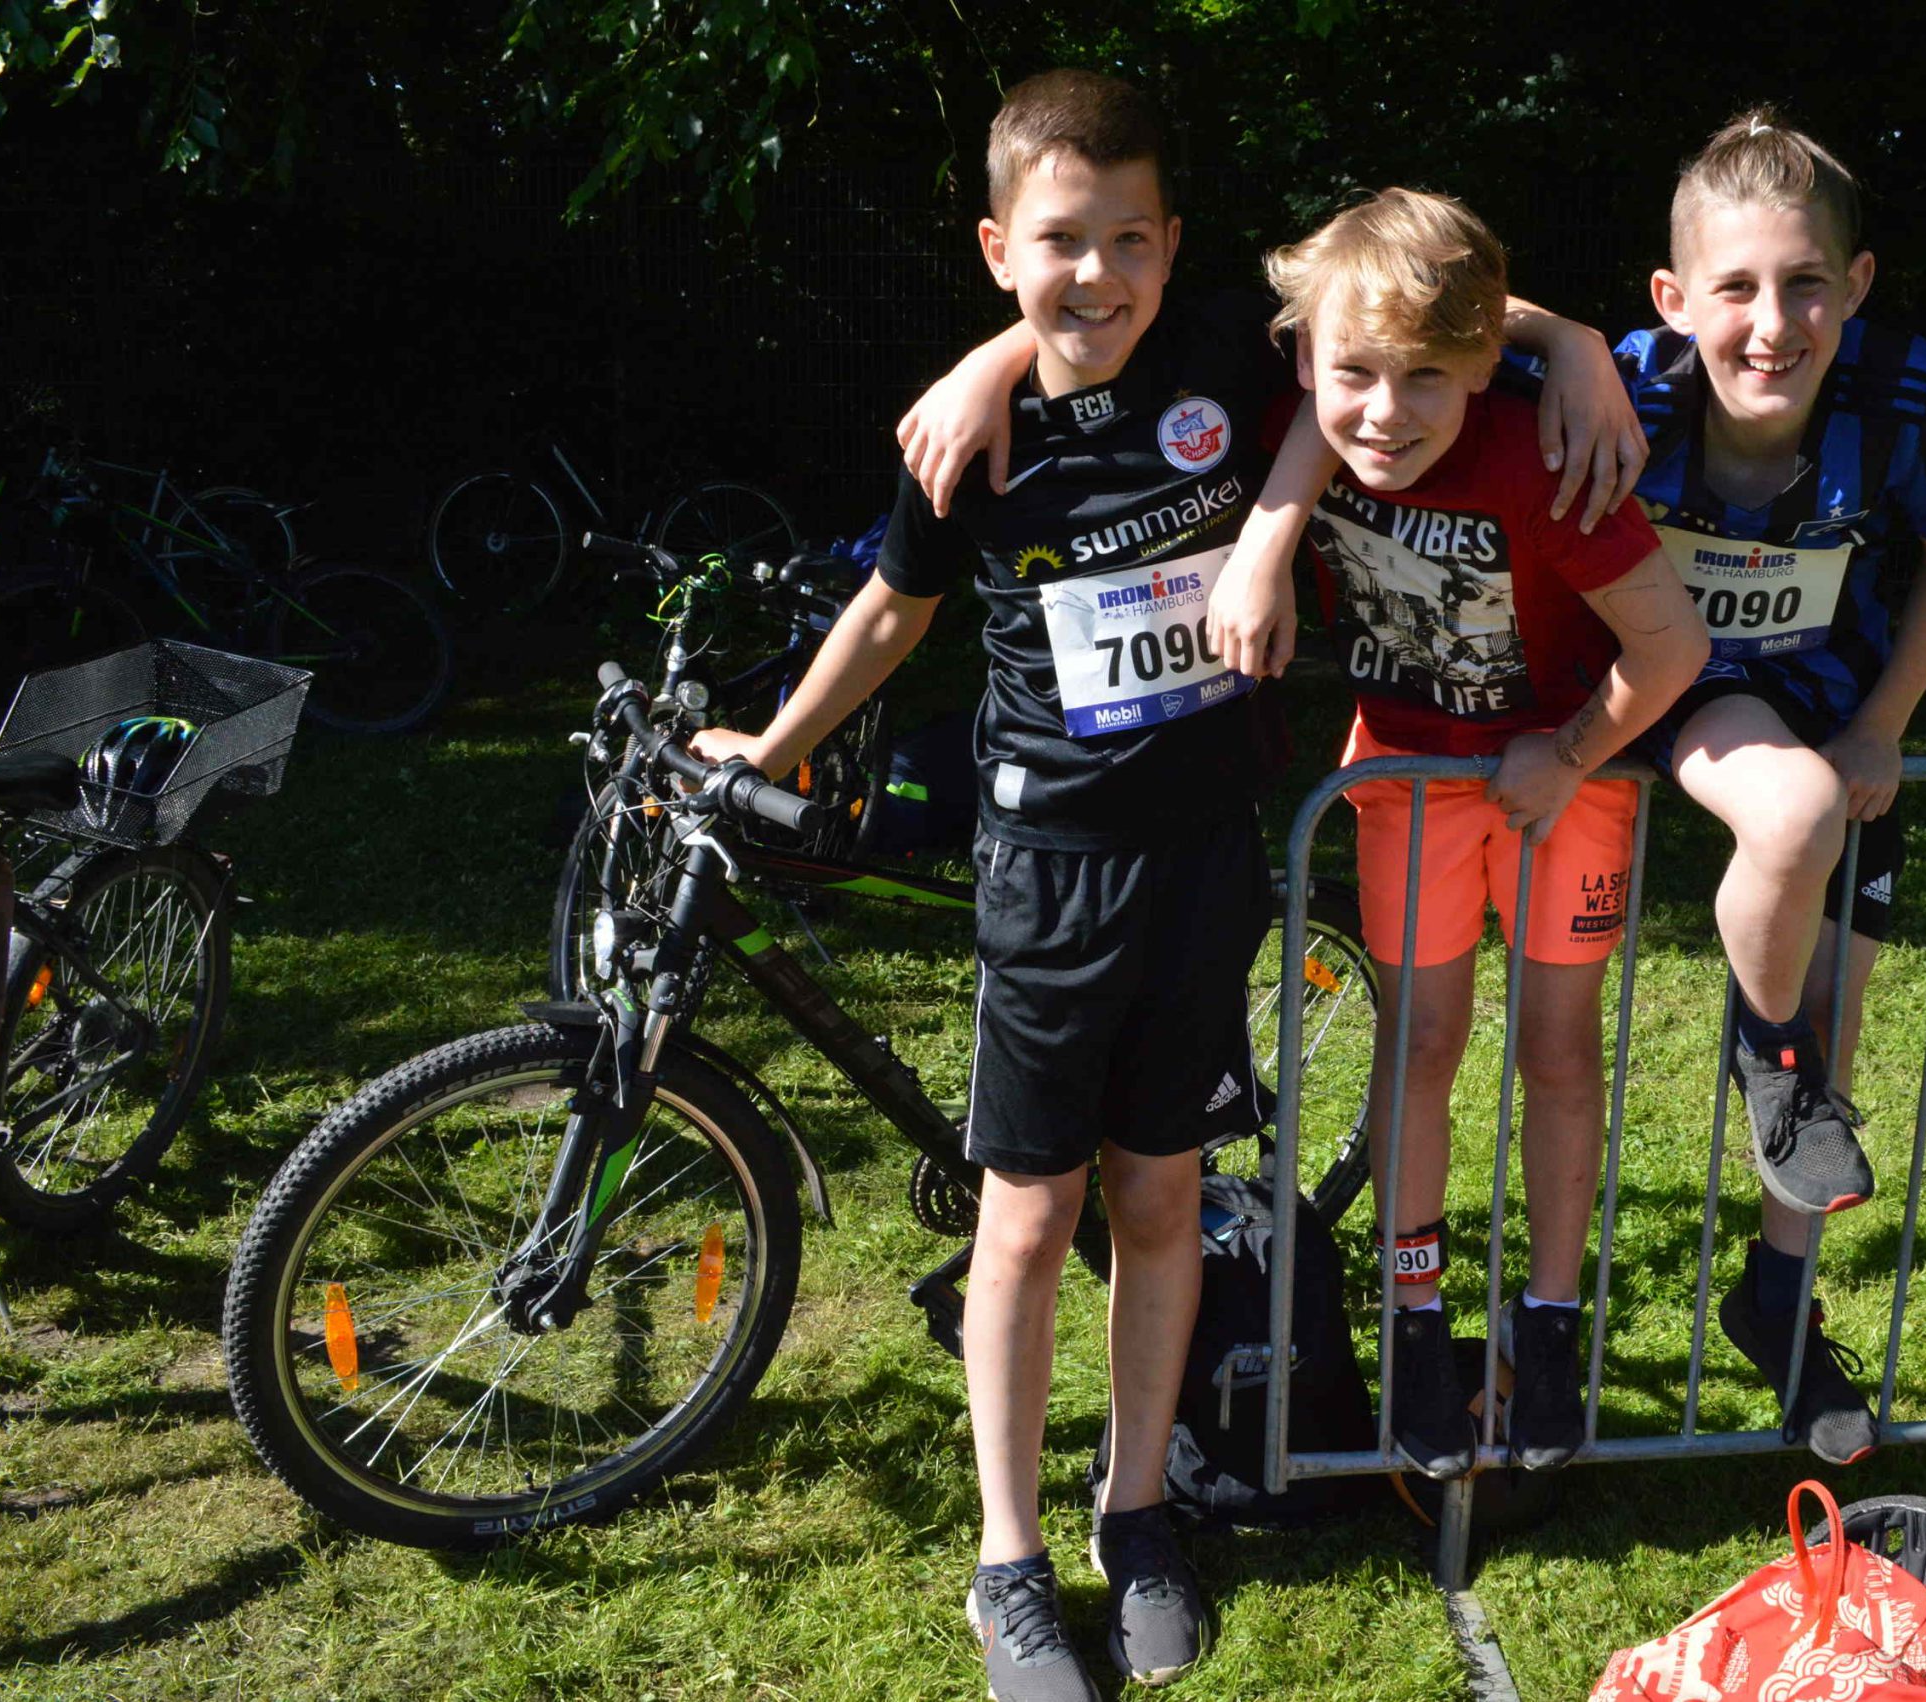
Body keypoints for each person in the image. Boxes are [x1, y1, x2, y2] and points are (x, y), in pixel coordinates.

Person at [701, 70, 1640, 1702]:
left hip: (1208, 856)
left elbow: (1406, 315)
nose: (1097, 273)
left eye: (1129, 239)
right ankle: (1008, 1561)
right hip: (1050, 871)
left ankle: (1136, 1509)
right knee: (1028, 1214)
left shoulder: (1222, 351)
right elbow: (892, 612)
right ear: (999, 248)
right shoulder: (970, 435)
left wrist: (1577, 354)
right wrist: (775, 746)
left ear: (1175, 243)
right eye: (1061, 242)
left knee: (1160, 1197)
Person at [1205, 188, 1708, 1482]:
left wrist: (1571, 752)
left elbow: (1672, 648)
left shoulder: (1542, 457)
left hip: (1565, 781)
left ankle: (1550, 1321)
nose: (1385, 410)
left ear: (1483, 364)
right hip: (1408, 778)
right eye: (1355, 374)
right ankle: (1416, 1319)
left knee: (1557, 1048)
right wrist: (1265, 539)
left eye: (1426, 376)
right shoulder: (1306, 423)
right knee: (1418, 1044)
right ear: (1307, 363)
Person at [1617, 108, 1926, 1466]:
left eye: (1808, 284)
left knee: (1836, 1019)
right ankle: (1764, 1057)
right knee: (1793, 835)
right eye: (1736, 288)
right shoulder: (1620, 385)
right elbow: (1441, 315)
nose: (1773, 324)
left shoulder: (1901, 392)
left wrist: (1886, 724)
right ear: (1672, 301)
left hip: (1838, 700)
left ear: (1859, 283)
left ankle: (1777, 1302)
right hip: (1678, 688)